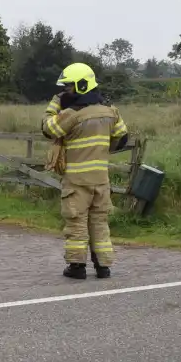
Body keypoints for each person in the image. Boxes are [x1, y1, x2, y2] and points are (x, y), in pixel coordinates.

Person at [41, 62, 129, 280]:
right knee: (99, 223)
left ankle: (77, 267)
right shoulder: (111, 112)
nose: (65, 91)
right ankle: (103, 267)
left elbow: (47, 128)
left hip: (77, 181)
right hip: (101, 180)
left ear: (81, 85)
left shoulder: (72, 114)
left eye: (69, 87)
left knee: (77, 222)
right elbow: (122, 138)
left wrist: (54, 104)